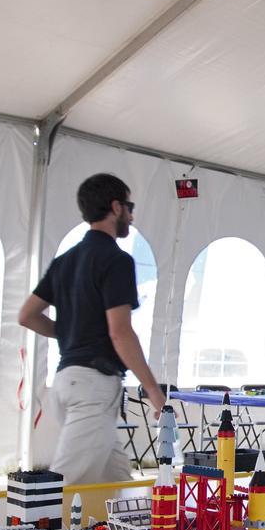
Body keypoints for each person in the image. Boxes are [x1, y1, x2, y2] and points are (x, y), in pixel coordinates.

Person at [18, 173, 166, 484]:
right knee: (67, 486)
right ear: (115, 207)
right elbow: (120, 333)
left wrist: (71, 332)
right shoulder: (116, 260)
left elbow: (28, 315)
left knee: (114, 480)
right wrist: (153, 391)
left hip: (66, 381)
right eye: (129, 206)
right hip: (93, 387)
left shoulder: (65, 261)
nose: (132, 214)